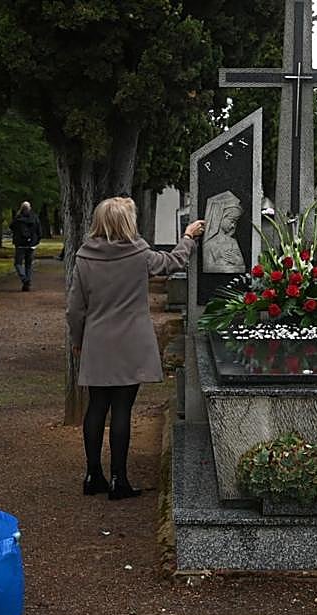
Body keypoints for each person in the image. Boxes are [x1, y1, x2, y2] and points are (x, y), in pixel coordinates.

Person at [67, 197, 205, 499]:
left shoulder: (84, 257)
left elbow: (75, 310)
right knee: (121, 410)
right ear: (127, 222)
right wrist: (187, 238)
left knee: (96, 407)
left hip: (98, 342)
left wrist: (78, 341)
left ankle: (93, 475)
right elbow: (172, 263)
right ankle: (119, 480)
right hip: (131, 342)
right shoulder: (139, 253)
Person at [10, 201, 42, 291]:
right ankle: (27, 283)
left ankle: (24, 279)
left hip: (20, 245)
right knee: (28, 265)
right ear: (30, 208)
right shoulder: (35, 218)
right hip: (31, 245)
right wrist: (36, 241)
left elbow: (11, 227)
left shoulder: (18, 218)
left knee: (18, 263)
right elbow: (39, 231)